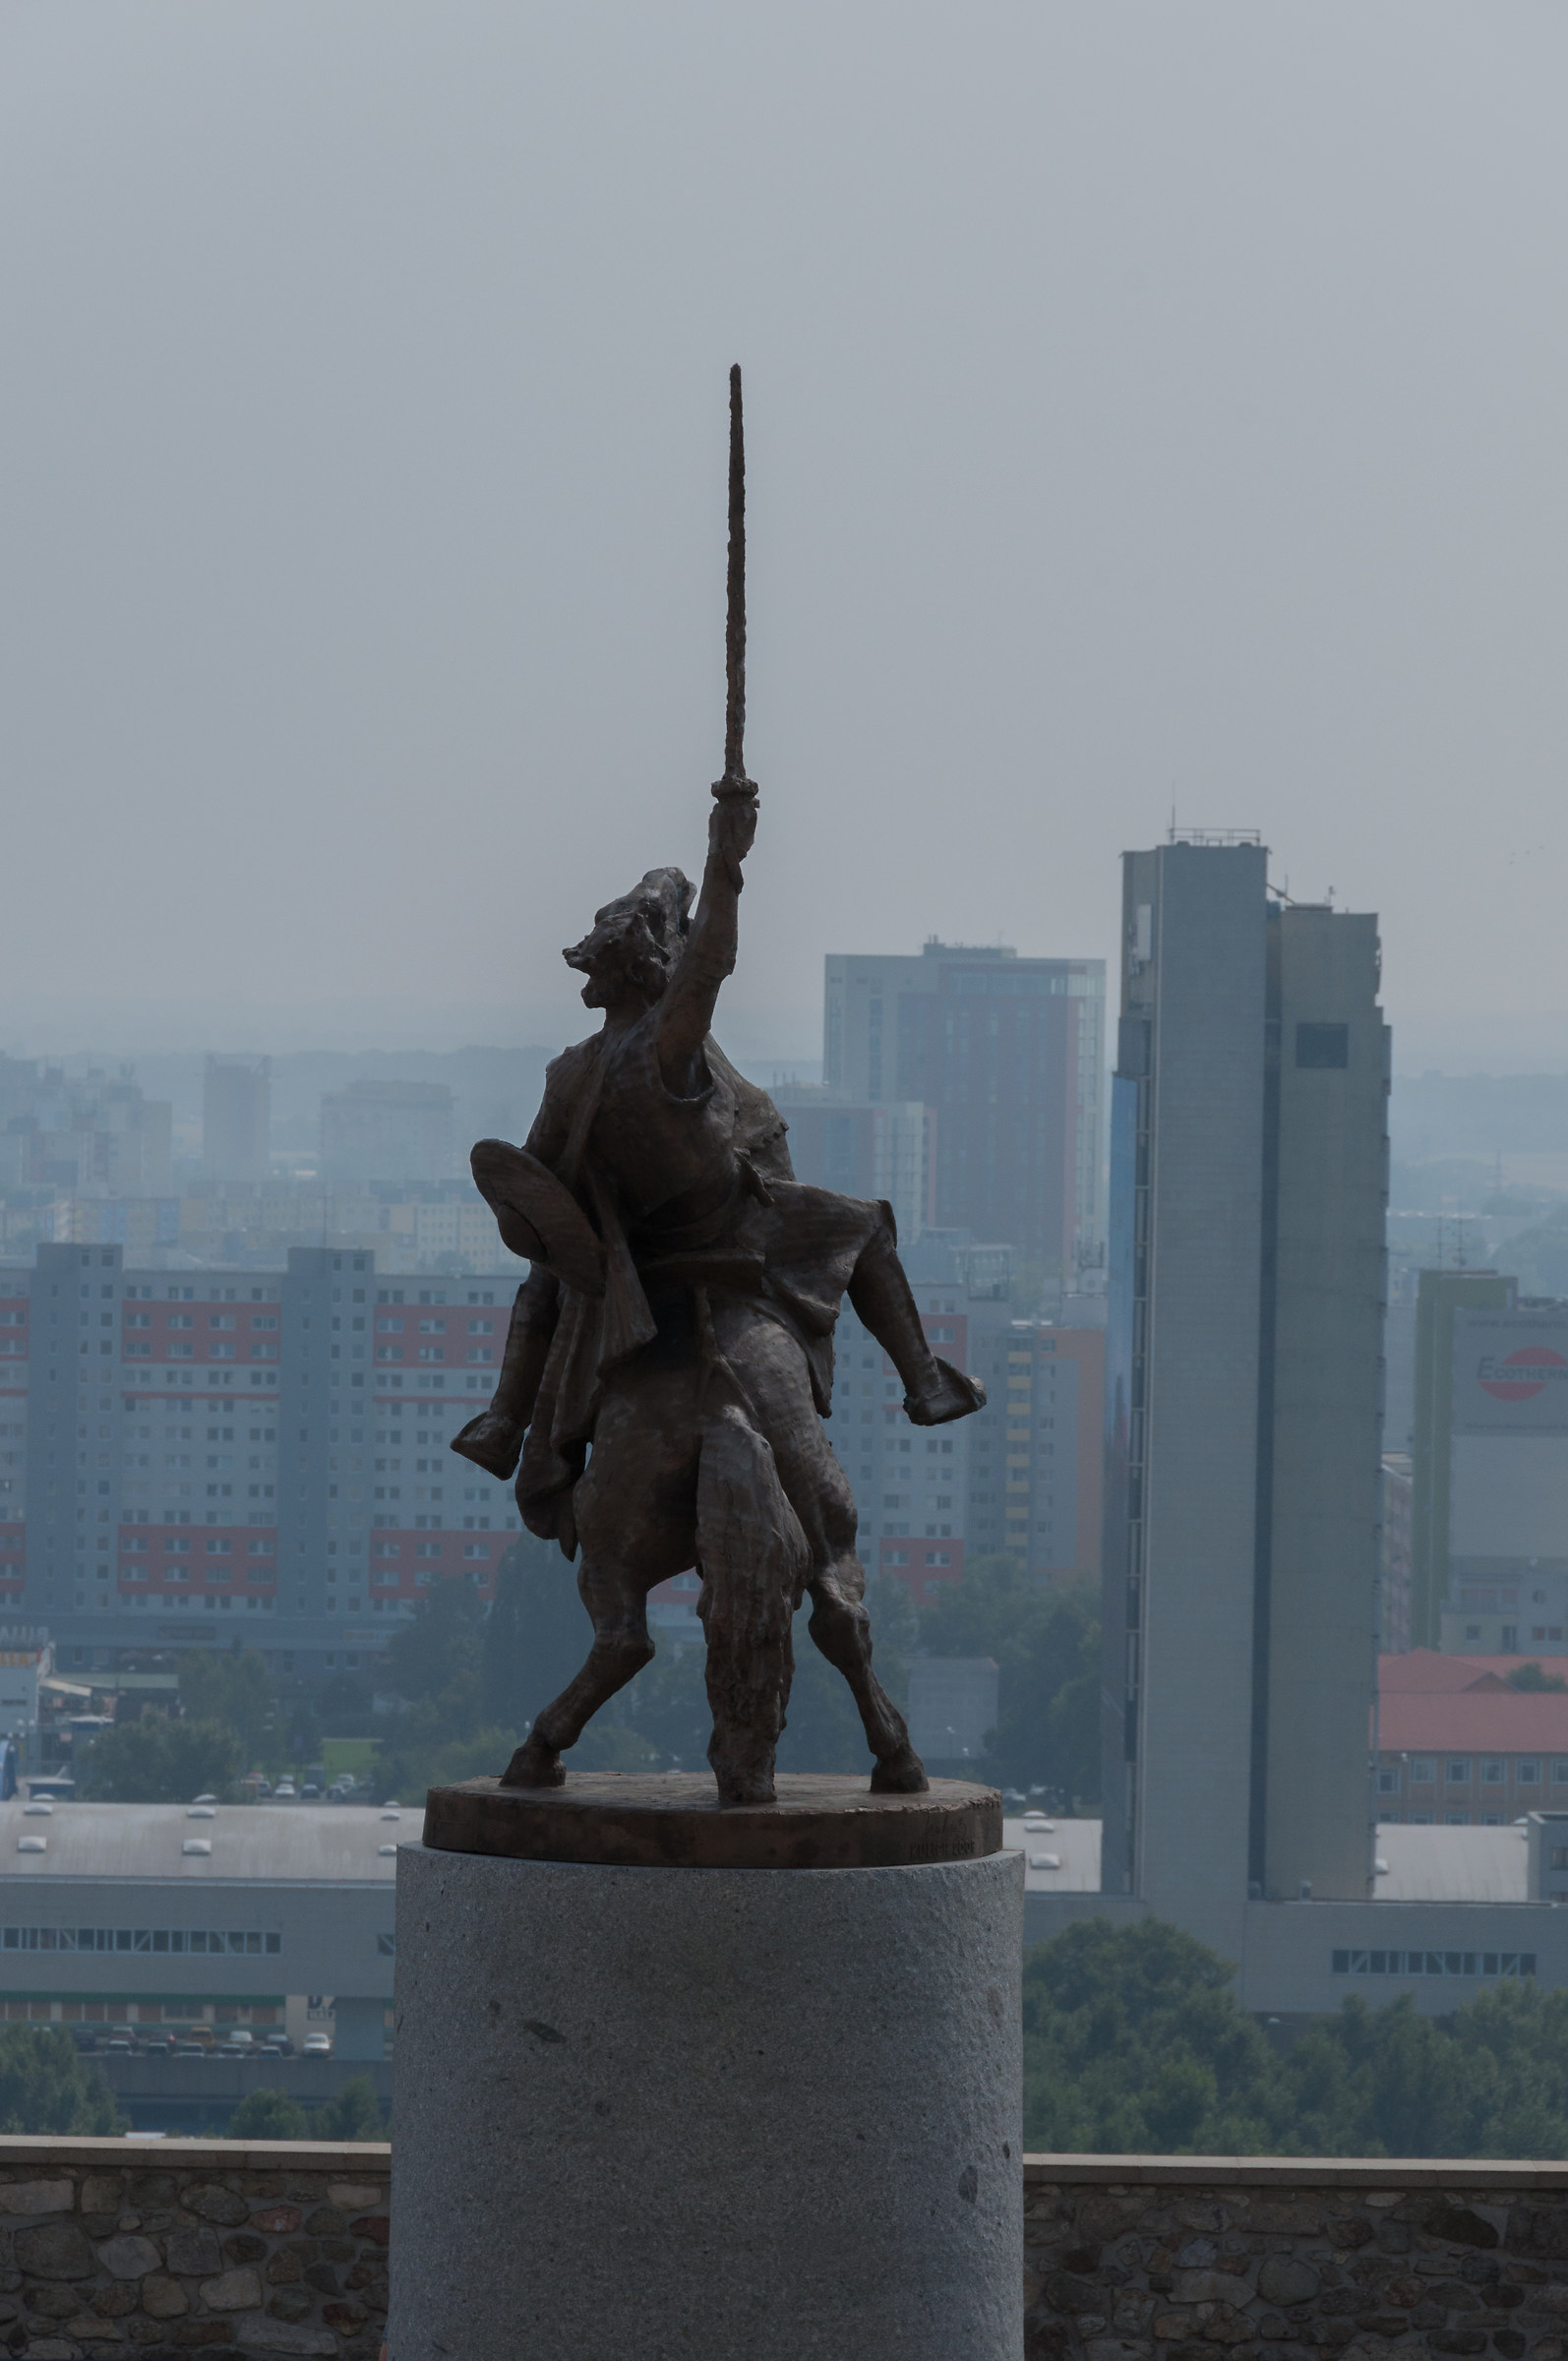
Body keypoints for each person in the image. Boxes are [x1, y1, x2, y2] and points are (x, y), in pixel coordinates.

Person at [453, 784, 985, 1802]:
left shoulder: (570, 1075)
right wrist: (726, 858)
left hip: (629, 1302)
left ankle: (505, 1419)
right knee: (863, 1222)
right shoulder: (671, 1050)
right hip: (727, 1270)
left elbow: (538, 1209)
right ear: (656, 959)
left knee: (546, 1291)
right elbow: (714, 966)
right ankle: (922, 1379)